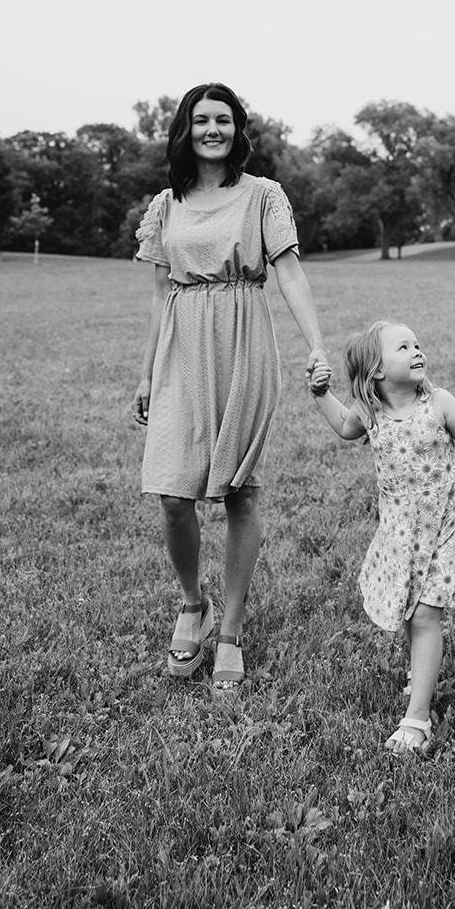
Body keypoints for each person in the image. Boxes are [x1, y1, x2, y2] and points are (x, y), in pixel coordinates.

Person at [132, 83, 328, 689]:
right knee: (172, 494)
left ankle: (232, 629)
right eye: (200, 120)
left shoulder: (263, 195)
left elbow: (290, 275)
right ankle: (194, 602)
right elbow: (162, 298)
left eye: (222, 119)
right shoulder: (166, 205)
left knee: (240, 493)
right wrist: (145, 371)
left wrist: (317, 344)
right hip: (182, 347)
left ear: (237, 129)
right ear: (184, 131)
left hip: (245, 340)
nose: (211, 129)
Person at [308, 321, 455, 753]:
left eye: (417, 344)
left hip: (444, 523)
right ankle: (421, 669)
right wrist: (320, 394)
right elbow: (345, 427)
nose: (417, 351)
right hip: (399, 527)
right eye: (403, 347)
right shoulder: (371, 412)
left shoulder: (439, 403)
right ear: (377, 371)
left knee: (424, 615)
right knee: (407, 608)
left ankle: (417, 720)